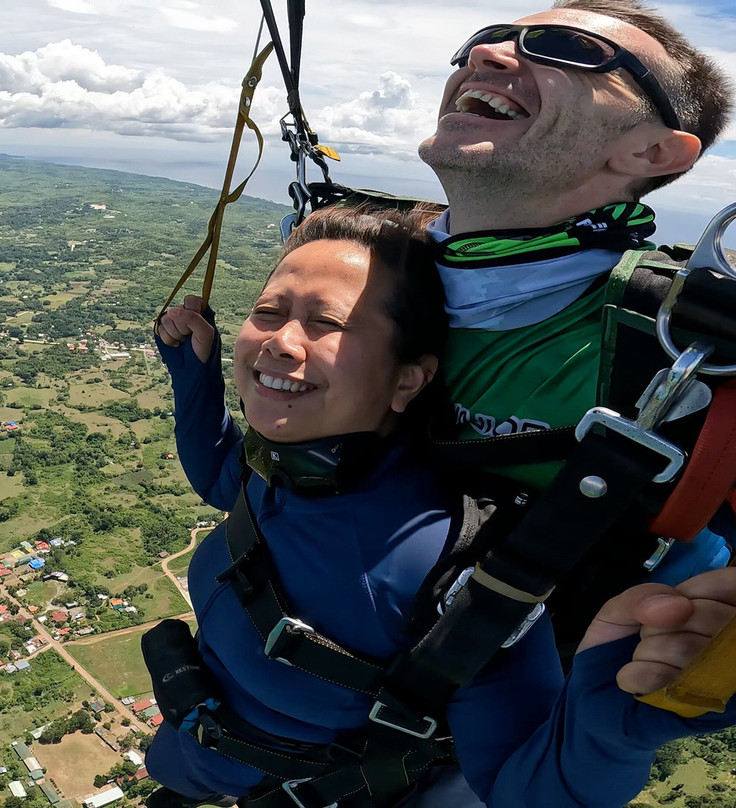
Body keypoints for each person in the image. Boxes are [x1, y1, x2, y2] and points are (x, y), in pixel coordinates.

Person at [142, 204, 736, 808]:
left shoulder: (446, 576)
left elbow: (522, 792)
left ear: (408, 380)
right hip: (190, 758)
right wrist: (192, 369)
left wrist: (610, 730)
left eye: (327, 324)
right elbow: (221, 480)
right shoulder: (280, 468)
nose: (281, 342)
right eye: (268, 312)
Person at [412, 0, 736, 657]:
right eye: (486, 38)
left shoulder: (691, 351)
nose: (487, 54)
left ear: (651, 150)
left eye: (565, 48)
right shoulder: (361, 272)